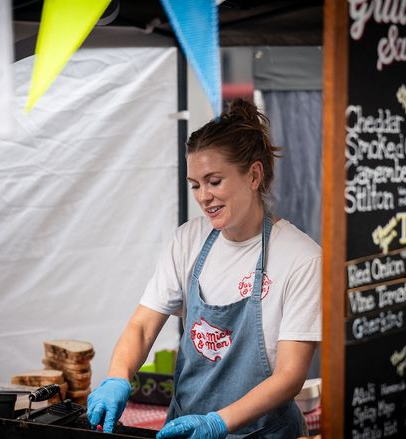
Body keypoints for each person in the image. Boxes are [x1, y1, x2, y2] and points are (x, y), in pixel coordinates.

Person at [87, 99, 321, 439]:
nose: (203, 197)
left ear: (254, 175)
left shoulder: (301, 258)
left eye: (214, 181)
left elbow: (290, 375)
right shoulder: (188, 242)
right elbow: (141, 326)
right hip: (185, 427)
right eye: (195, 184)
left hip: (261, 432)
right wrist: (118, 376)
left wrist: (218, 422)